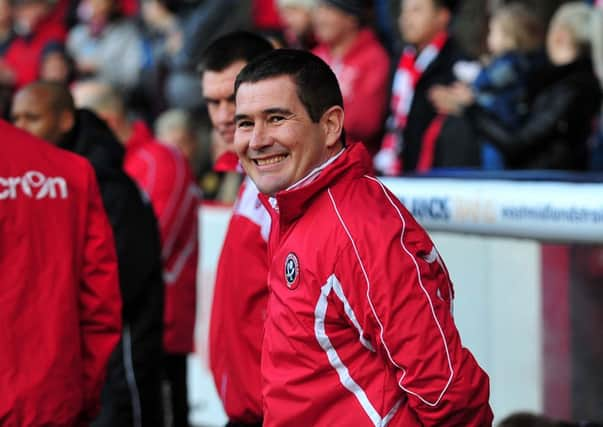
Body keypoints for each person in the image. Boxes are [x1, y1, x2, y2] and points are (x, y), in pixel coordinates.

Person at [232, 48, 493, 426]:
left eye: (276, 118)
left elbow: (446, 391)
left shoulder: (360, 226)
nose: (256, 140)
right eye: (245, 123)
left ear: (331, 125)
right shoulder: (296, 207)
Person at [11, 81, 165, 427]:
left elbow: (120, 281)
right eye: (15, 118)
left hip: (118, 358)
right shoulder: (43, 179)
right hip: (67, 361)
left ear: (65, 120)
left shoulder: (103, 182)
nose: (21, 129)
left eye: (32, 118)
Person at [72, 79, 200, 427]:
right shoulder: (118, 164)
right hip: (121, 326)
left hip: (158, 327)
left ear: (107, 121)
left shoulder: (159, 159)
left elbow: (148, 246)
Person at [0, 120, 122, 426]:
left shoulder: (73, 172)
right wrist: (84, 393)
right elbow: (100, 303)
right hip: (52, 398)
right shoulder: (68, 170)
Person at [197, 31, 273, 427]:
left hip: (273, 411)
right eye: (213, 102)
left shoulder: (286, 187)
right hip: (245, 408)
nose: (223, 116)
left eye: (233, 98)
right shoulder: (250, 180)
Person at [431, 2, 603, 170]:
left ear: (560, 35)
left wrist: (470, 107)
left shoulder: (570, 88)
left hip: (544, 186)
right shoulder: (548, 80)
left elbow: (519, 142)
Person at [374, 0, 475, 174]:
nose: (406, 19)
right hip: (393, 168)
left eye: (416, 11)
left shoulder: (458, 65)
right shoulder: (399, 60)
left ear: (442, 16)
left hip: (435, 176)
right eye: (404, 12)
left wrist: (464, 106)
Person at [312, 0, 390, 154]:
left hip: (353, 161)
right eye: (318, 9)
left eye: (328, 10)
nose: (319, 18)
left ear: (351, 19)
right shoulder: (315, 56)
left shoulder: (374, 58)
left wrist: (312, 118)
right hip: (313, 160)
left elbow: (366, 122)